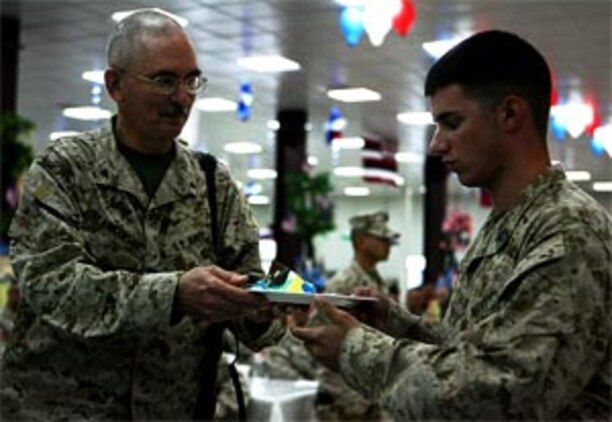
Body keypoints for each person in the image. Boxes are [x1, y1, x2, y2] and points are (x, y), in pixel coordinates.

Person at [292, 30, 612, 420]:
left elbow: (503, 390)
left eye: (451, 122)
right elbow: (472, 349)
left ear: (510, 114)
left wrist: (356, 350)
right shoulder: (507, 225)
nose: (435, 144)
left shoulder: (567, 230)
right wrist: (397, 325)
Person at [0, 10, 285, 420]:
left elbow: (245, 294)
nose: (181, 96)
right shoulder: (65, 168)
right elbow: (51, 285)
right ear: (115, 84)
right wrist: (173, 294)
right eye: (165, 80)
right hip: (61, 408)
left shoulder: (212, 183)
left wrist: (259, 307)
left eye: (191, 81)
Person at [313, 211, 400, 421]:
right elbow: (318, 334)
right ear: (360, 241)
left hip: (368, 389)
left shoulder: (377, 281)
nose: (388, 243)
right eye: (381, 238)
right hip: (343, 398)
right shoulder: (344, 283)